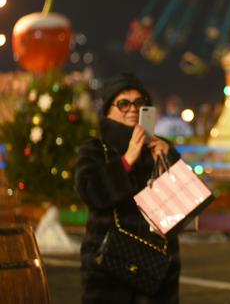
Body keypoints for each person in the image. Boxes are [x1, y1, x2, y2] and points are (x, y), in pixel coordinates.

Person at [75, 73, 181, 304]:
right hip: (110, 272)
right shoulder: (94, 149)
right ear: (108, 109)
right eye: (123, 103)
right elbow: (91, 193)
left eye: (139, 102)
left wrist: (167, 162)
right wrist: (127, 160)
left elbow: (182, 206)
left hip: (158, 269)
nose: (132, 108)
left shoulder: (160, 148)